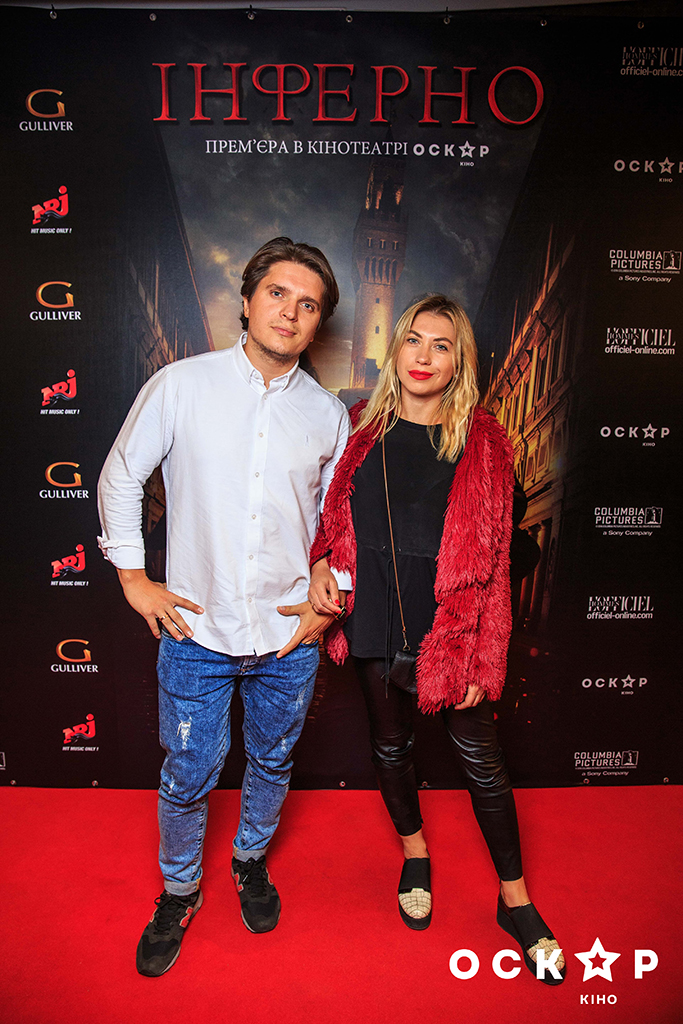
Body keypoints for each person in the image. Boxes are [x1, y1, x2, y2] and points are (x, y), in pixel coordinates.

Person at [98, 237, 350, 977]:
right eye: (277, 293)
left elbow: (339, 522)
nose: (290, 312)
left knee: (273, 760)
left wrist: (330, 595)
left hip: (289, 636)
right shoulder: (183, 384)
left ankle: (249, 860)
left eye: (308, 305)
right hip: (195, 632)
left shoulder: (328, 415)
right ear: (246, 299)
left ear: (318, 323)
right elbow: (121, 476)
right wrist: (133, 578)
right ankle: (179, 890)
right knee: (188, 771)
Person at [308, 295, 565, 985]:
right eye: (413, 340)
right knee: (389, 746)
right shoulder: (360, 430)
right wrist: (319, 564)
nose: (423, 356)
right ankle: (415, 854)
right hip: (372, 613)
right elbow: (331, 520)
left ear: (459, 362)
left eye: (441, 345)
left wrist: (484, 653)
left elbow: (500, 561)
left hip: (450, 625)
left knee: (483, 764)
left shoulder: (485, 443)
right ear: (396, 349)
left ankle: (515, 901)